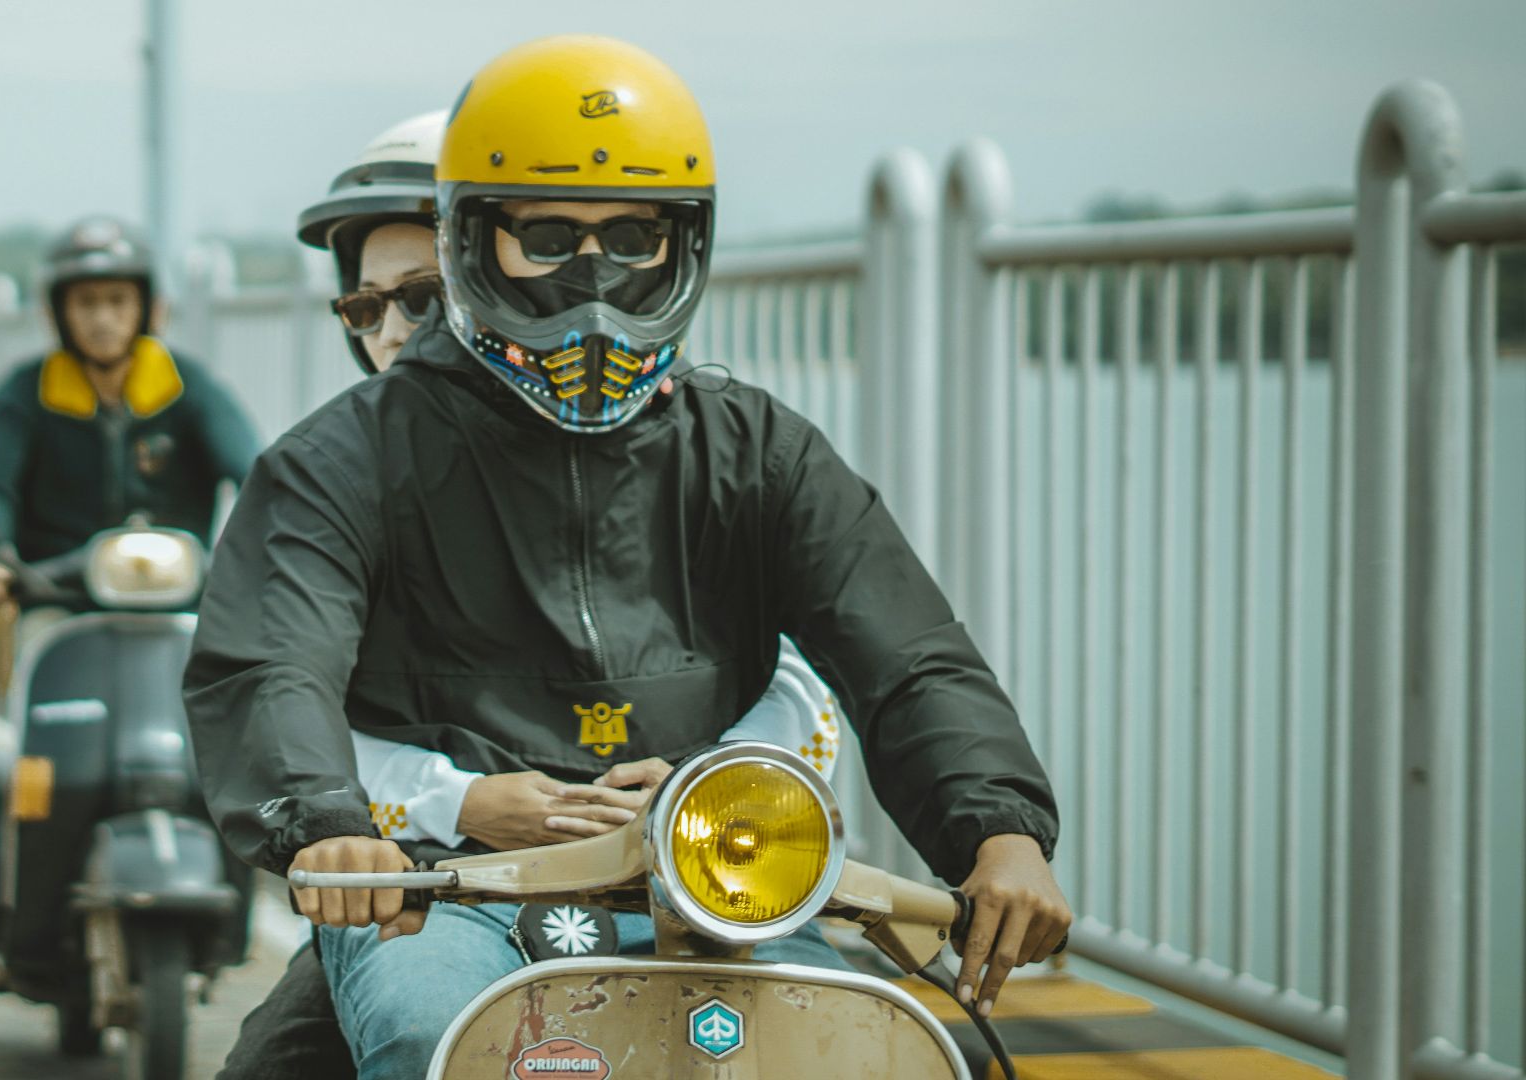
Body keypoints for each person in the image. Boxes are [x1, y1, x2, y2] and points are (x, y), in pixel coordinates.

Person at [185, 36, 1068, 1080]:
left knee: (843, 1054)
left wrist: (998, 832)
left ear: (682, 242)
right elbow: (273, 660)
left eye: (633, 235)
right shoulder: (341, 460)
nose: (593, 275)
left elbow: (906, 653)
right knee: (431, 1044)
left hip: (711, 871)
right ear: (475, 237)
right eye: (550, 236)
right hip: (442, 887)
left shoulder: (757, 449)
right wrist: (328, 828)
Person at [216, 110, 846, 1080]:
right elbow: (284, 691)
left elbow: (808, 674)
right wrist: (457, 798)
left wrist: (692, 783)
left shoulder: (689, 452)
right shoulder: (348, 476)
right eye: (365, 310)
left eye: (422, 301)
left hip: (680, 879)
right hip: (445, 886)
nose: (391, 335)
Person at [0, 216, 261, 612]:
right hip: (61, 605)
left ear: (147, 308)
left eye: (117, 300)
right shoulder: (25, 395)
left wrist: (281, 539)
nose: (103, 318)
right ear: (58, 313)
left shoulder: (186, 388)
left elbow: (254, 472)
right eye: (86, 302)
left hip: (176, 604)